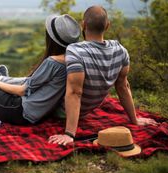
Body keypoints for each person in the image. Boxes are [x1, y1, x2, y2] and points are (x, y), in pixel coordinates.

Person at [48, 6, 158, 146]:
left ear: (84, 25)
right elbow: (123, 86)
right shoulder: (120, 51)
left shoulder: (75, 51)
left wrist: (69, 134)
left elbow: (75, 93)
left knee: (22, 88)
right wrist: (134, 119)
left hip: (59, 111)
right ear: (107, 25)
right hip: (87, 109)